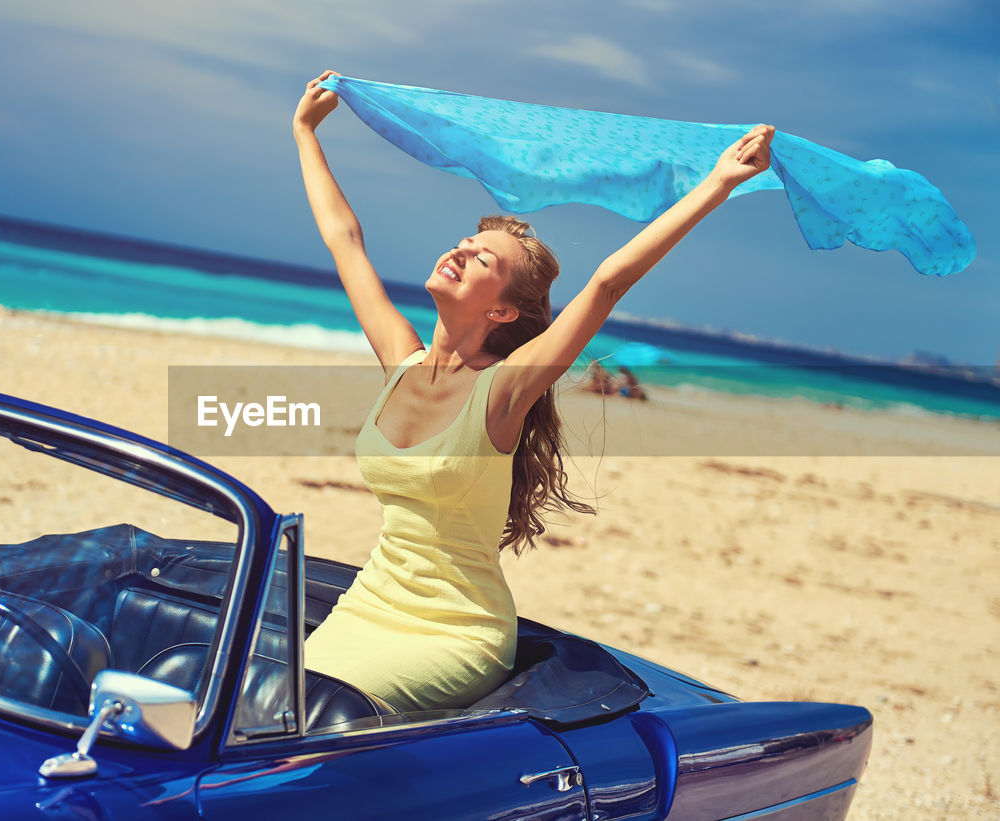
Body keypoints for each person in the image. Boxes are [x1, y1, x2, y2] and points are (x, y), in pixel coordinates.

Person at [293, 70, 773, 712]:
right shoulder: (401, 363)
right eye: (464, 245)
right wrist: (304, 131)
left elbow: (605, 284)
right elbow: (344, 238)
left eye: (482, 260)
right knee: (264, 708)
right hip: (369, 605)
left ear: (503, 313)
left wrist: (717, 184)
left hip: (452, 632)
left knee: (317, 711)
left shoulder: (502, 394)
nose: (459, 254)